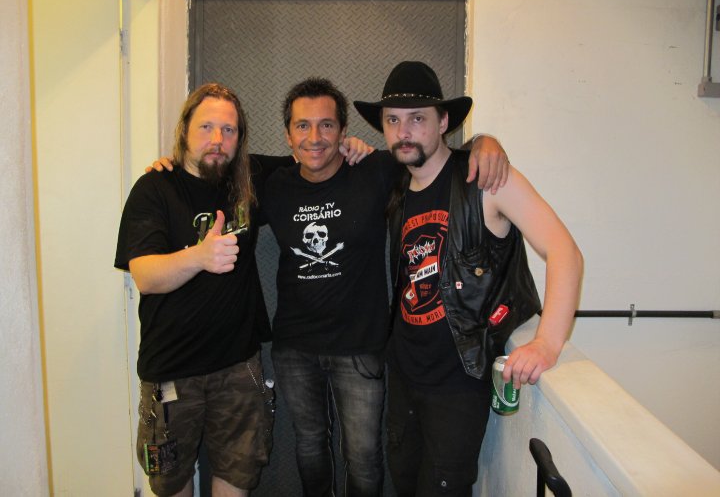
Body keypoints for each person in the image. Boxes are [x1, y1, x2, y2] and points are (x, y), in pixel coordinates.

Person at [146, 79, 509, 497]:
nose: (314, 137)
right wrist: (171, 167)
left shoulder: (375, 170)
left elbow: (436, 157)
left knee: (364, 456)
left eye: (326, 125)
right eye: (302, 126)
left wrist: (485, 142)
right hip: (295, 347)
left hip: (361, 347)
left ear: (343, 131)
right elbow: (212, 170)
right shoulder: (271, 183)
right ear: (287, 135)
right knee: (309, 447)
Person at [353, 61, 584, 497]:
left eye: (417, 118)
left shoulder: (485, 180)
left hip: (458, 383)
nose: (404, 132)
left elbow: (565, 252)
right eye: (393, 120)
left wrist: (548, 342)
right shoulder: (397, 187)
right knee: (404, 485)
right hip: (404, 375)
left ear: (443, 122)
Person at [115, 83, 288, 497]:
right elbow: (145, 275)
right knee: (170, 482)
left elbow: (312, 154)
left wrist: (352, 146)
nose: (217, 139)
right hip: (171, 374)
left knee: (239, 475)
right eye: (206, 127)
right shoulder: (154, 189)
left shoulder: (248, 179)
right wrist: (199, 256)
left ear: (239, 138)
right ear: (184, 130)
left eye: (228, 130)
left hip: (239, 367)